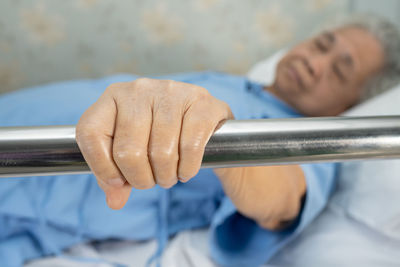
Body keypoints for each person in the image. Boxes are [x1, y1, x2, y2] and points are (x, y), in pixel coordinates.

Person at [0, 15, 399, 267]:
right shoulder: (234, 83)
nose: (315, 63)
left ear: (350, 104)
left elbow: (282, 197)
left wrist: (220, 135)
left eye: (340, 71)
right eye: (321, 44)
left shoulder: (313, 145)